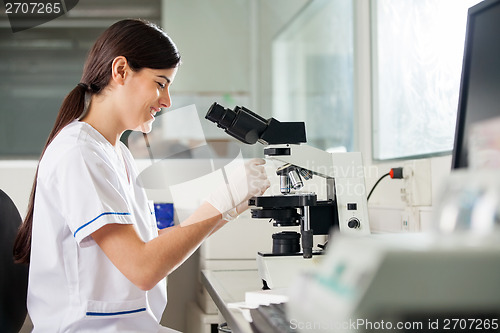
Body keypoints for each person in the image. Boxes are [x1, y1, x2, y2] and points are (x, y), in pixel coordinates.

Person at [13, 19, 270, 332]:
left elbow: (148, 247)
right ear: (120, 71)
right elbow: (143, 267)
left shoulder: (115, 152)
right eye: (160, 83)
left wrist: (229, 207)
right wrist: (221, 200)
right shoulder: (79, 153)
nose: (167, 101)